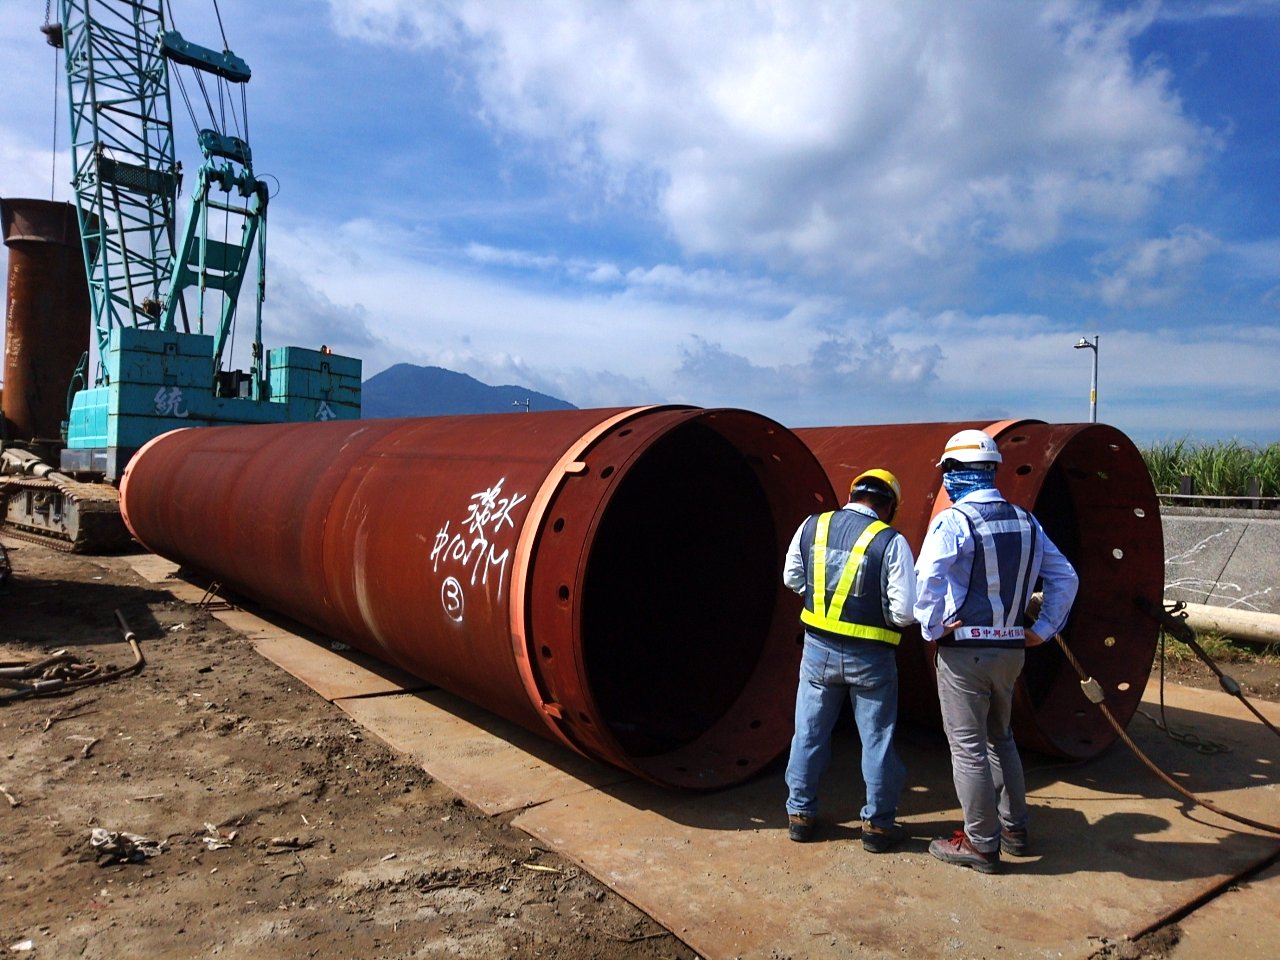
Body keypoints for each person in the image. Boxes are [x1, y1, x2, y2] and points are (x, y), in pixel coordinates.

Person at [914, 429, 1079, 873]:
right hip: (1011, 652)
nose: (946, 480)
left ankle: (980, 843)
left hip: (965, 653)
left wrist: (931, 627)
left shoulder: (954, 521)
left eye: (948, 472)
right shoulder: (1026, 521)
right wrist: (1042, 630)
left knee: (967, 746)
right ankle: (1014, 828)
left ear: (956, 472)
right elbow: (1066, 578)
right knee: (1000, 739)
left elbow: (927, 576)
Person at [783, 468, 916, 852]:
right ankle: (877, 826)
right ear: (889, 505)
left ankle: (801, 816)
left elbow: (792, 577)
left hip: (817, 652)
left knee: (808, 732)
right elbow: (904, 612)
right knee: (876, 741)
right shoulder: (891, 541)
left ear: (854, 494)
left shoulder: (813, 526)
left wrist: (821, 604)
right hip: (872, 657)